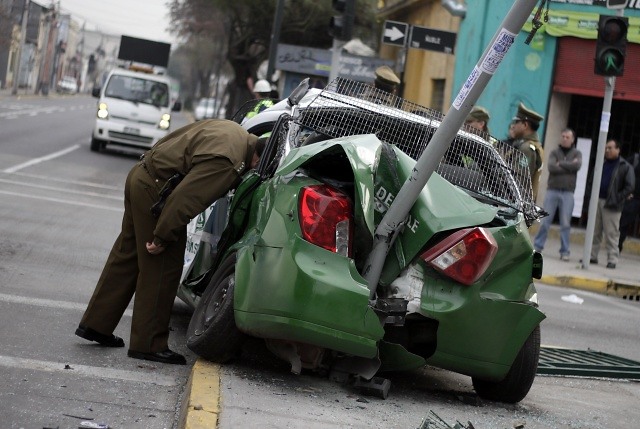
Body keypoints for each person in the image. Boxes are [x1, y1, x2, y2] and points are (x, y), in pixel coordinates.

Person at [76, 119, 266, 364]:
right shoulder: (230, 161)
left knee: (128, 254)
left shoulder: (233, 131)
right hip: (156, 192)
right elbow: (186, 198)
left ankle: (96, 325)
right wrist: (163, 235)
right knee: (163, 265)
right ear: (257, 159)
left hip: (141, 175)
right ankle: (149, 344)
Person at [533, 128, 582, 261]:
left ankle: (565, 251)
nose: (565, 139)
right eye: (563, 136)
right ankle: (537, 247)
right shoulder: (555, 152)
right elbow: (551, 167)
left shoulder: (577, 153)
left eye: (568, 137)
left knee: (565, 223)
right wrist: (569, 166)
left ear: (572, 139)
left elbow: (577, 166)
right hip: (552, 190)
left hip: (568, 193)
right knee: (545, 221)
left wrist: (562, 164)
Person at [588, 139, 635, 269]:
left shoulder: (624, 166)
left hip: (612, 205)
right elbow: (592, 180)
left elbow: (630, 186)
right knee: (594, 231)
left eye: (610, 148)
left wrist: (617, 198)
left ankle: (612, 259)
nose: (607, 150)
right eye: (606, 148)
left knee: (612, 233)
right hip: (597, 201)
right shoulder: (601, 163)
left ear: (618, 149)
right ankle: (592, 256)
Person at [509, 102, 545, 200]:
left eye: (516, 122)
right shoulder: (529, 145)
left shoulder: (527, 149)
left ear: (525, 125)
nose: (513, 126)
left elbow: (519, 181)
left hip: (516, 202)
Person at [618, 151, 640, 252]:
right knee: (624, 224)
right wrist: (626, 191)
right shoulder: (634, 159)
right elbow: (622, 173)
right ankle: (618, 246)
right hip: (633, 198)